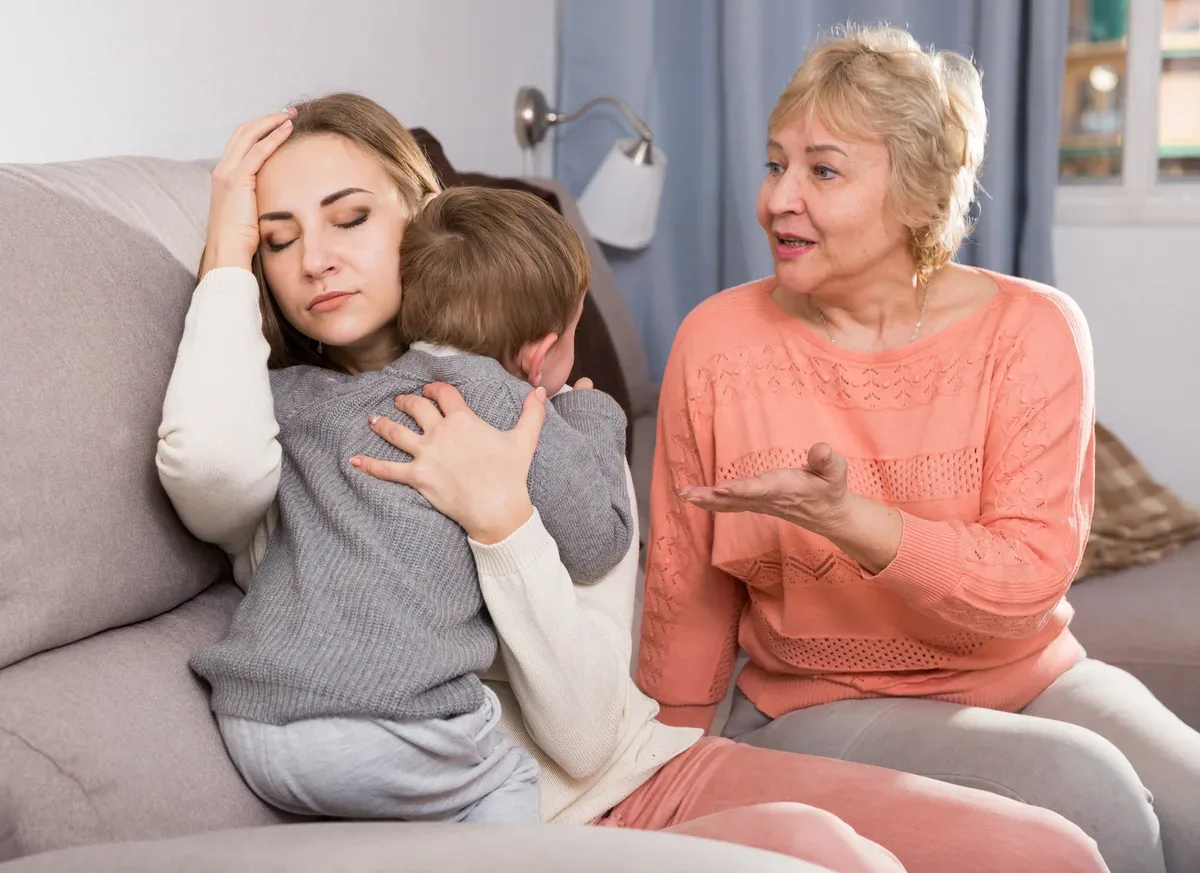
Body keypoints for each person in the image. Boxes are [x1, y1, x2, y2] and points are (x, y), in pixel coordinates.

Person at [157, 91, 1110, 873]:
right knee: (829, 855)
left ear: (426, 215)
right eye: (277, 240)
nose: (315, 258)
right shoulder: (290, 424)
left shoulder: (552, 414)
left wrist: (511, 503)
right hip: (553, 815)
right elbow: (206, 464)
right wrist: (223, 257)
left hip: (647, 762)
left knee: (1046, 850)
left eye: (351, 217)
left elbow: (597, 712)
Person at [636, 24, 1200, 873]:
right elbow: (687, 589)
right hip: (819, 700)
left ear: (922, 193)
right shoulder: (716, 343)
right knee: (1091, 792)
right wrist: (663, 774)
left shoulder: (1033, 330)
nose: (779, 198)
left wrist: (852, 519)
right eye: (775, 163)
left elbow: (1024, 581)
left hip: (1031, 670)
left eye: (823, 170)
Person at [188, 184, 636, 824]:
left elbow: (221, 413)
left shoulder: (299, 397)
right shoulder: (516, 410)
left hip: (252, 723)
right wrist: (591, 414)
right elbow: (599, 542)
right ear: (540, 354)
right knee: (507, 778)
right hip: (388, 731)